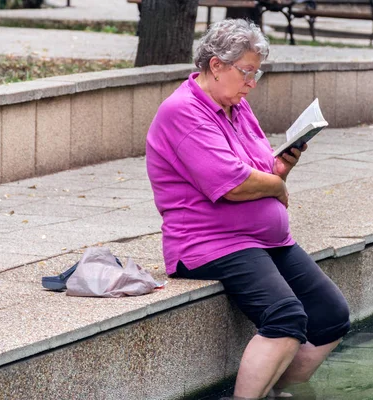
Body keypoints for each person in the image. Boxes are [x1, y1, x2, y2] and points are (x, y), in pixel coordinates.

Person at [146, 19, 350, 399]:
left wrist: (281, 168)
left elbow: (257, 169)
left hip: (262, 240)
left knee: (331, 317)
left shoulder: (236, 106)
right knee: (286, 318)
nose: (252, 82)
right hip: (210, 242)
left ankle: (268, 390)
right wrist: (275, 185)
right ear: (216, 65)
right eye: (246, 72)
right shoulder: (183, 111)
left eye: (257, 73)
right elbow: (233, 184)